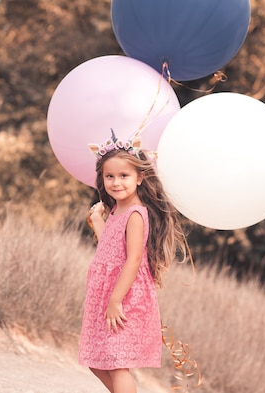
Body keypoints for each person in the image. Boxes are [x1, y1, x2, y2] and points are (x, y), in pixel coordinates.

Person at [79, 130, 189, 393]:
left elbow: (134, 259)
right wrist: (97, 222)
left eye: (124, 176)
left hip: (124, 295)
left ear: (140, 177)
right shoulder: (118, 209)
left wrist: (116, 299)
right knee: (97, 360)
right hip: (106, 293)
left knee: (116, 362)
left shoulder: (137, 214)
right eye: (110, 176)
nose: (116, 182)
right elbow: (111, 247)